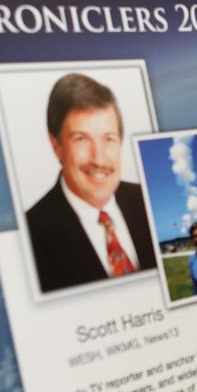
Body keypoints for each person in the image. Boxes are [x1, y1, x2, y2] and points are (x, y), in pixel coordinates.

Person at [26, 73, 155, 294]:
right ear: (56, 145)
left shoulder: (152, 201)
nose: (99, 158)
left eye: (109, 139)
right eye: (81, 139)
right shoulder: (31, 235)